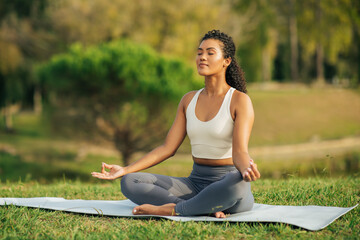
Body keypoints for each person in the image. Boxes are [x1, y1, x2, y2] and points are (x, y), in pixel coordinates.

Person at [91, 29, 261, 218]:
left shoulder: (239, 100)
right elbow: (167, 148)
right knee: (130, 181)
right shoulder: (188, 100)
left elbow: (240, 152)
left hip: (226, 184)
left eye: (210, 53)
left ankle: (174, 209)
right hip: (194, 184)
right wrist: (124, 169)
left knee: (237, 183)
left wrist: (246, 169)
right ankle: (202, 206)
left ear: (226, 61)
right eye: (199, 53)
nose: (202, 57)